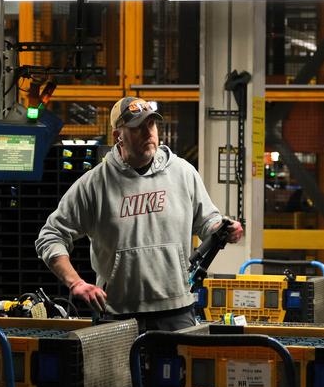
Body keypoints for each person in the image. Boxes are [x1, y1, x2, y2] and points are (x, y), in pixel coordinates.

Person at [36, 96, 243, 330]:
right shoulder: (94, 185)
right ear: (118, 136)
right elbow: (50, 236)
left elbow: (208, 221)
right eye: (137, 128)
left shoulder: (183, 173)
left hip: (176, 310)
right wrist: (75, 284)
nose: (148, 133)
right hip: (117, 313)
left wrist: (223, 228)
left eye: (151, 125)